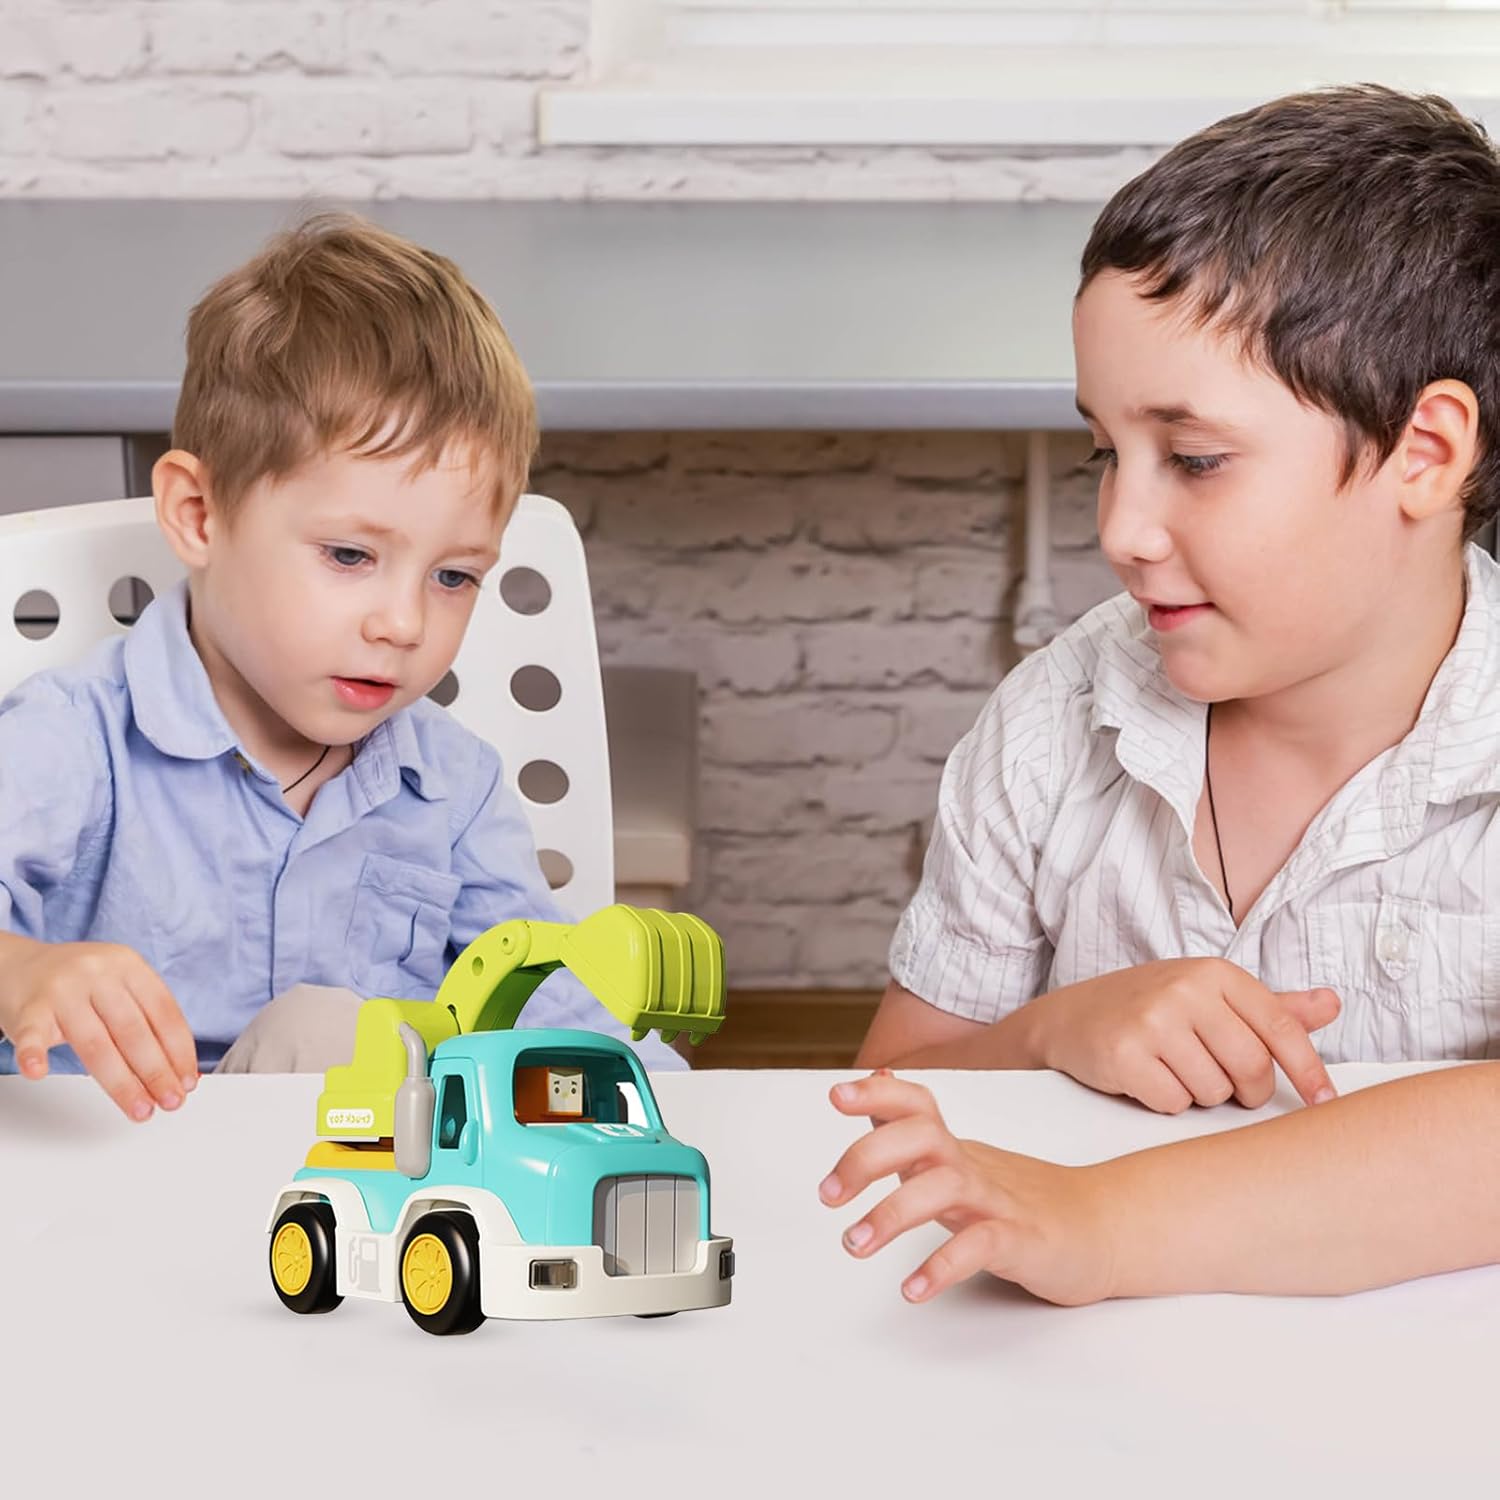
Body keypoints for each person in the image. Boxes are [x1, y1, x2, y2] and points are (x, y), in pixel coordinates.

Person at [828, 84, 1500, 1300]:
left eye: (1194, 460)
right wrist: (1052, 1032)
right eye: (1106, 452)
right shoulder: (1054, 722)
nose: (1122, 530)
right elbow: (895, 1086)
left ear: (1425, 452)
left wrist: (1104, 1221)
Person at [0, 212, 682, 1122]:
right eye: (351, 556)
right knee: (325, 1031)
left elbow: (557, 1011)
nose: (403, 624)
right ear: (199, 515)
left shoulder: (453, 786)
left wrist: (686, 1112)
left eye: (453, 577)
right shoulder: (71, 740)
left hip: (357, 1186)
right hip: (98, 1175)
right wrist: (23, 969)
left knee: (348, 1039)